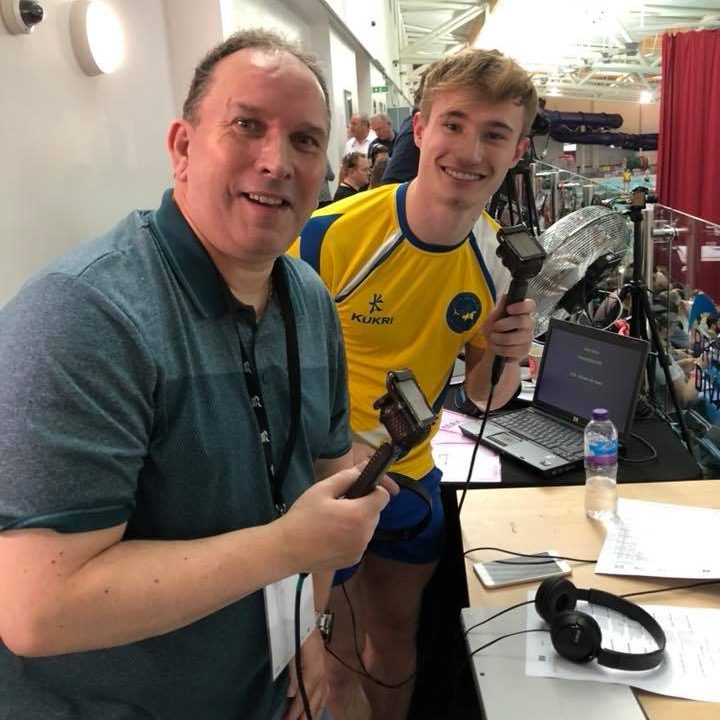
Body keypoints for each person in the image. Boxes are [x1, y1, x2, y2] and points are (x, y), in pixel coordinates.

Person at [0, 29, 395, 720]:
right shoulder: (84, 316)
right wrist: (285, 547)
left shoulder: (306, 299)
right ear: (182, 147)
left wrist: (308, 631)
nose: (277, 162)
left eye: (305, 140)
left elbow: (323, 484)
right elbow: (39, 610)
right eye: (247, 125)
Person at [290, 48, 537, 720]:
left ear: (517, 150)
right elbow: (264, 364)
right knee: (332, 656)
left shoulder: (499, 260)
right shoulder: (327, 236)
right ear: (421, 129)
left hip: (414, 473)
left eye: (494, 134)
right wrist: (327, 449)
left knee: (397, 637)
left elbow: (485, 398)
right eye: (454, 124)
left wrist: (508, 355)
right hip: (323, 478)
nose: (471, 151)